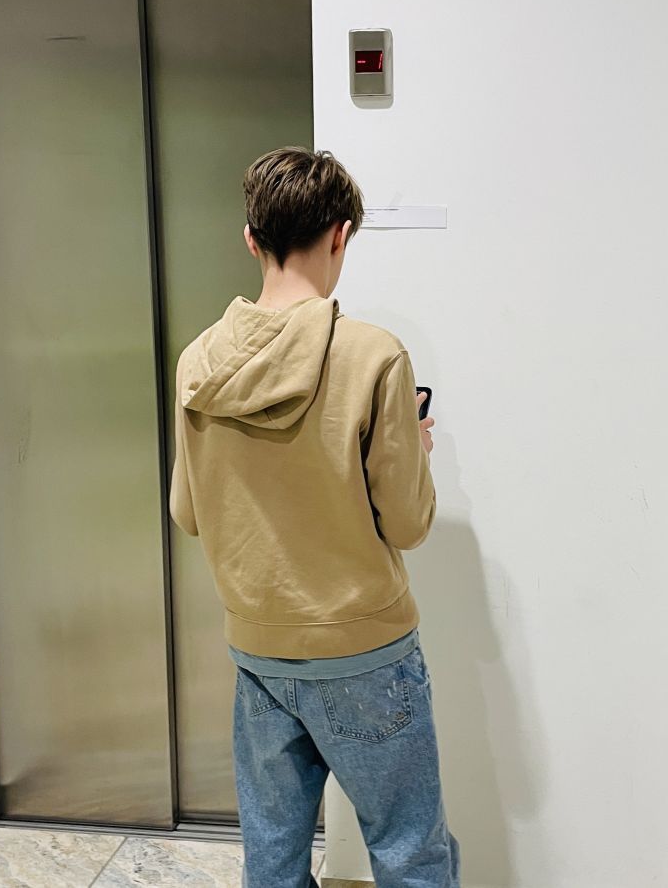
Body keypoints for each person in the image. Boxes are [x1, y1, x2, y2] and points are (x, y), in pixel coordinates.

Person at [168, 146, 460, 888]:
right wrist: (414, 451)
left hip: (259, 651)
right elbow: (407, 525)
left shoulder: (198, 362)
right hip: (366, 653)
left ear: (251, 239)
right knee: (410, 853)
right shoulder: (375, 356)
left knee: (272, 858)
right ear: (340, 234)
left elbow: (187, 512)